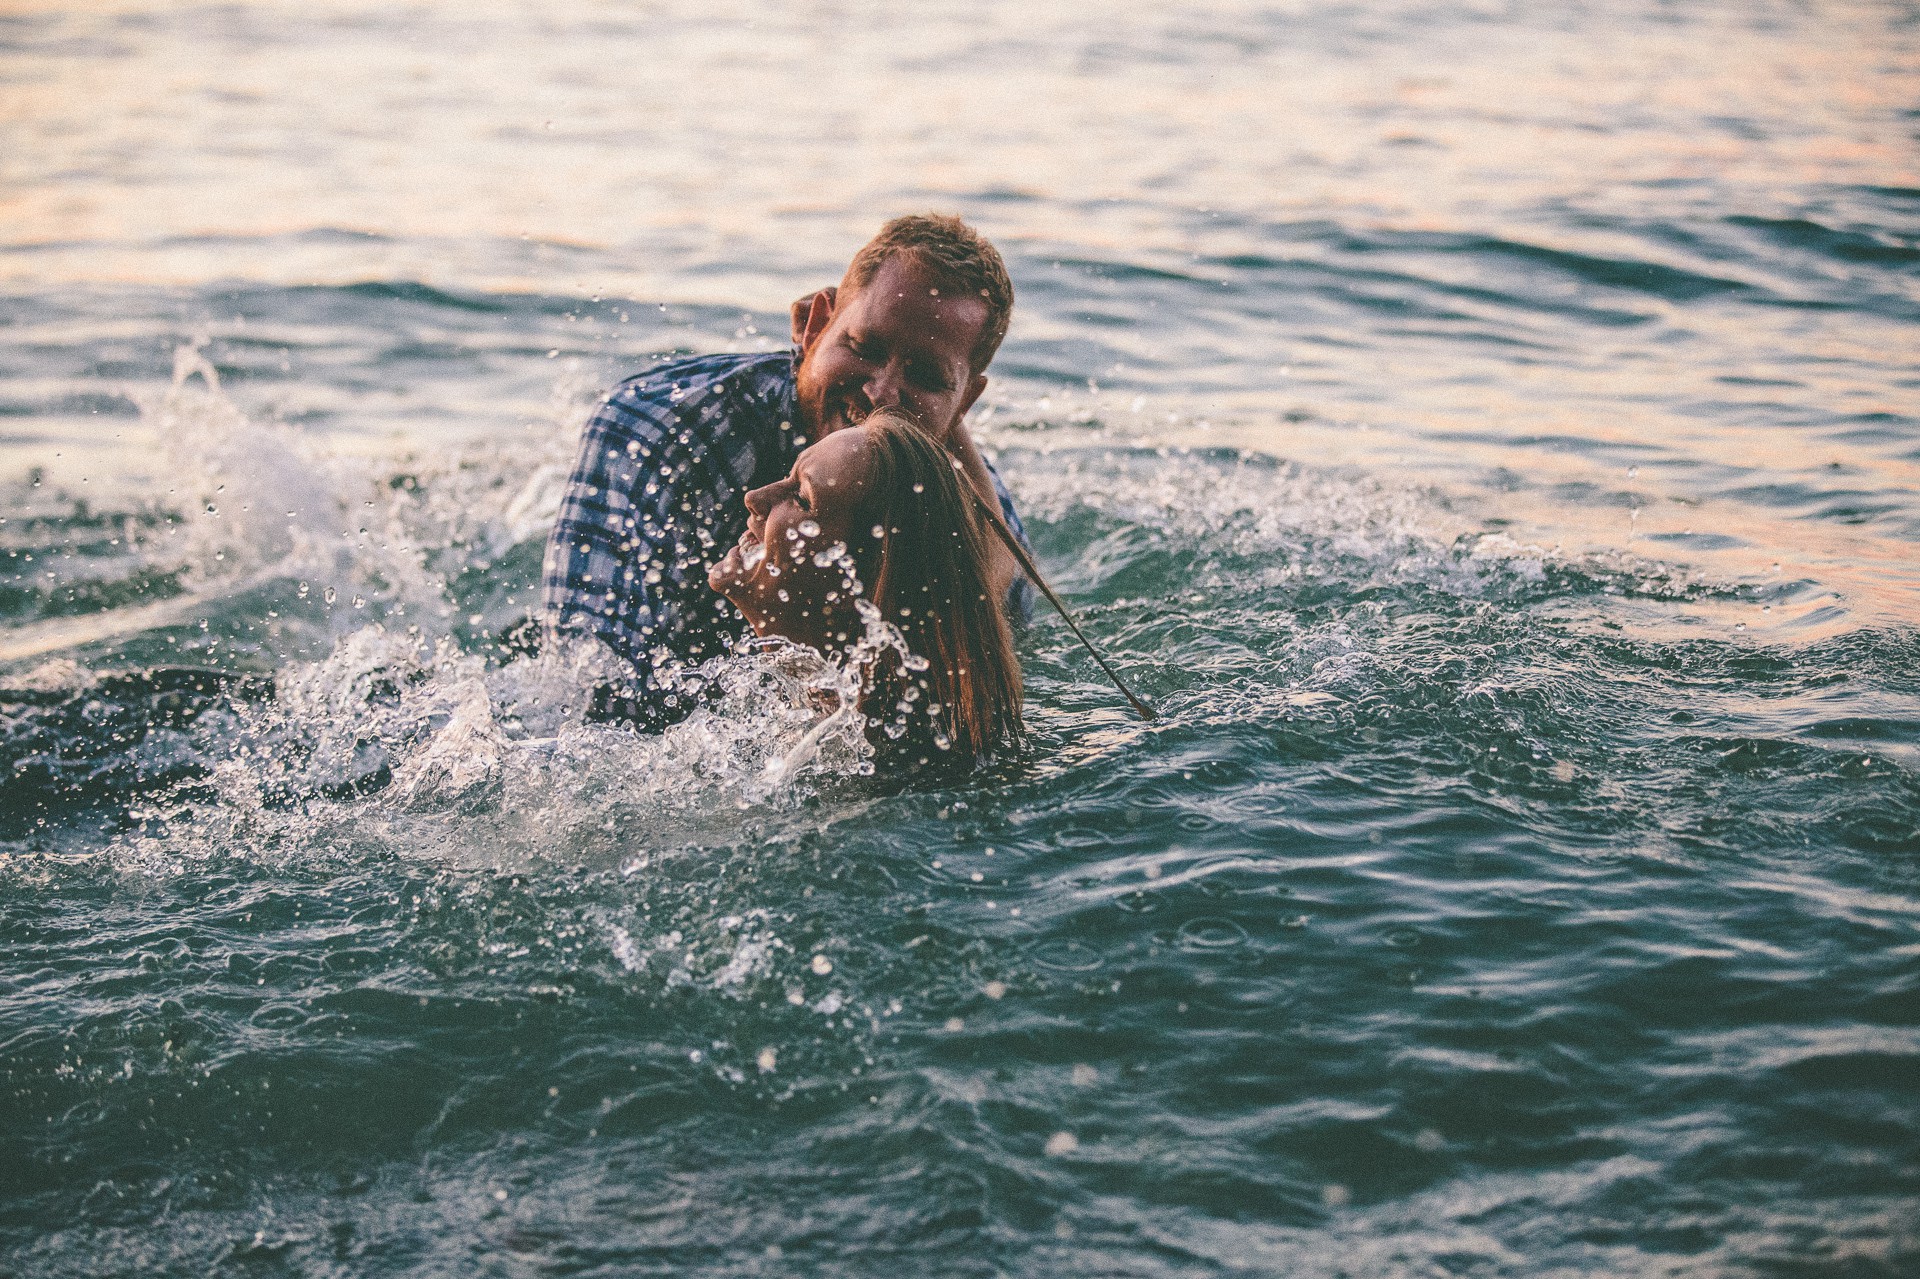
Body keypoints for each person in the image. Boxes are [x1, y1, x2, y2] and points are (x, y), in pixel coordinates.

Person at [541, 214, 1031, 726]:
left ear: (964, 403)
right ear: (814, 325)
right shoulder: (656, 435)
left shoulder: (960, 498)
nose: (882, 394)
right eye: (863, 348)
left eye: (927, 377)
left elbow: (991, 668)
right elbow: (587, 702)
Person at [707, 408, 1021, 760]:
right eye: (788, 476)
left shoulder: (870, 757)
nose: (756, 498)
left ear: (858, 585)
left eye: (801, 498)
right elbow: (995, 562)